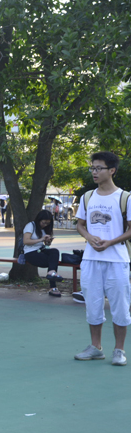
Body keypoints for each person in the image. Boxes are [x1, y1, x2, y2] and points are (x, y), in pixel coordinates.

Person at [73, 151, 131, 366]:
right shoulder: (87, 197)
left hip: (117, 260)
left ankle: (119, 350)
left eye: (99, 168)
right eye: (93, 168)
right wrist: (89, 237)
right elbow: (80, 224)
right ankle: (96, 347)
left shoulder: (125, 198)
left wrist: (110, 242)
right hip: (91, 260)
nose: (94, 172)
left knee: (120, 306)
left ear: (112, 170)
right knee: (93, 304)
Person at [21, 210, 64, 297]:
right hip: (30, 252)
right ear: (39, 219)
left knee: (54, 251)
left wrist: (48, 241)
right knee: (53, 262)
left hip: (41, 250)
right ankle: (53, 287)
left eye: (47, 223)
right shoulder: (30, 225)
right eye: (43, 223)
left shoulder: (45, 228)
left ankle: (51, 273)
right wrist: (41, 239)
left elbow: (46, 245)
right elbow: (26, 241)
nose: (45, 225)